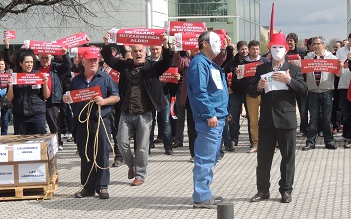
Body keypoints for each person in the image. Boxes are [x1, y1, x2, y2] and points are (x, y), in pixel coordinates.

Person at [101, 33, 171, 186]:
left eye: (140, 51)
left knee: (142, 147)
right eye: (135, 51)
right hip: (126, 112)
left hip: (144, 114)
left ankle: (139, 174)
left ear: (145, 53)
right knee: (121, 142)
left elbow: (167, 61)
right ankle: (132, 166)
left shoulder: (152, 68)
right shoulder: (125, 66)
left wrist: (166, 44)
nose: (138, 54)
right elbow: (110, 60)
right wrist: (106, 44)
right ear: (131, 53)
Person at [249, 33, 307, 204]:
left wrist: (289, 80)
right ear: (269, 49)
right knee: (263, 158)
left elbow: (304, 91)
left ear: (286, 49)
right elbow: (251, 92)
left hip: (286, 119)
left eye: (281, 47)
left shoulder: (294, 69)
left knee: (288, 157)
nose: (277, 50)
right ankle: (262, 190)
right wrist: (258, 86)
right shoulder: (261, 69)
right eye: (274, 47)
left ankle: (286, 190)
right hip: (267, 120)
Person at [63, 48, 119, 199]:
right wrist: (66, 98)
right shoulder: (76, 80)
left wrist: (104, 101)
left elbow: (116, 97)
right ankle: (88, 187)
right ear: (83, 62)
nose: (94, 63)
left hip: (101, 121)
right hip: (82, 122)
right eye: (91, 60)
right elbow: (71, 97)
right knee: (86, 154)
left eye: (96, 60)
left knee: (102, 153)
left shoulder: (105, 78)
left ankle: (103, 187)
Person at [187, 31, 229, 209]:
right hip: (209, 119)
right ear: (205, 43)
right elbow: (200, 92)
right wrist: (209, 113)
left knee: (210, 157)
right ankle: (201, 196)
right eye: (216, 42)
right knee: (204, 158)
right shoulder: (199, 64)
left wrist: (223, 111)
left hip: (217, 116)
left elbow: (215, 89)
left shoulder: (208, 63)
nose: (219, 45)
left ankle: (205, 192)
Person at [302, 36, 340, 151]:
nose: (315, 46)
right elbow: (302, 72)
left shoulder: (332, 58)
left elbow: (338, 75)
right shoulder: (307, 58)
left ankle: (329, 141)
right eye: (314, 44)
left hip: (327, 91)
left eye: (318, 44)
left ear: (323, 44)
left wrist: (340, 67)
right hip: (313, 91)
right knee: (313, 119)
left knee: (327, 119)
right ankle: (310, 142)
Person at [6, 48, 50, 135]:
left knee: (39, 142)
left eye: (31, 62)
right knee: (20, 144)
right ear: (21, 64)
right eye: (27, 62)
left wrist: (45, 84)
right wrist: (10, 86)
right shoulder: (15, 77)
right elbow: (9, 98)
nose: (29, 64)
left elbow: (46, 95)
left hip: (37, 115)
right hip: (20, 115)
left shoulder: (38, 75)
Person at [241, 40, 270, 153]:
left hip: (264, 94)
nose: (255, 51)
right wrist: (238, 75)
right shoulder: (244, 63)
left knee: (266, 120)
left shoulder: (265, 61)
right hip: (251, 95)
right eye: (253, 49)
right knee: (253, 121)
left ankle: (267, 143)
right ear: (249, 50)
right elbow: (239, 81)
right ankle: (255, 144)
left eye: (257, 49)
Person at [222, 40, 249, 149]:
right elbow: (223, 71)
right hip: (235, 92)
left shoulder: (251, 60)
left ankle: (253, 141)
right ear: (238, 50)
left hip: (248, 92)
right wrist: (227, 87)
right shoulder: (234, 61)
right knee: (234, 119)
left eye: (246, 49)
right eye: (242, 49)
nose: (244, 51)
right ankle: (233, 140)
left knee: (251, 118)